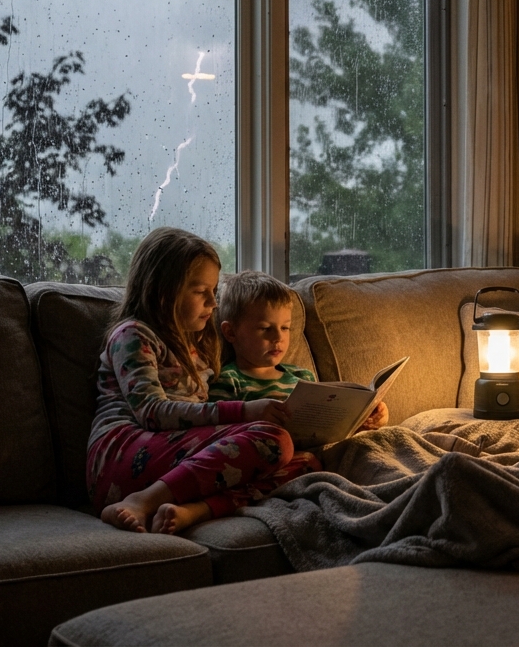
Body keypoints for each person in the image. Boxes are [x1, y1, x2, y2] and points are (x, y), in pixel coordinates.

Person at [88, 228, 317, 535]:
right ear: (163, 292)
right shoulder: (132, 335)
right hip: (123, 456)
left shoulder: (197, 345)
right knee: (271, 440)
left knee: (306, 463)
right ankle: (142, 501)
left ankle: (194, 511)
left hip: (177, 457)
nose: (213, 302)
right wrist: (245, 413)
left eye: (214, 291)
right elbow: (152, 413)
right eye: (201, 292)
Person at [209, 271, 388, 429]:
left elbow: (326, 428)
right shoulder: (228, 381)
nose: (278, 337)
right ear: (231, 332)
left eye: (285, 328)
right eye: (265, 328)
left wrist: (365, 420)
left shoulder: (303, 378)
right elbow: (219, 435)